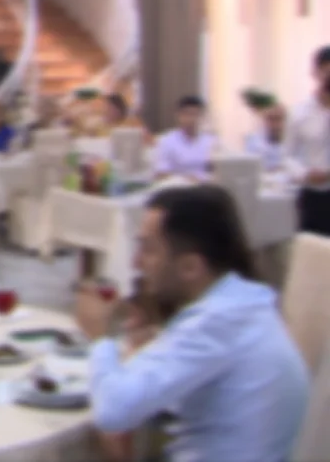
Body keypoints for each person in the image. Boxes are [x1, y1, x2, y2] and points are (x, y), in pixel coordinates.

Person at [74, 185, 308, 462]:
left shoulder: (219, 320)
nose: (136, 263)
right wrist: (153, 349)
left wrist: (99, 335)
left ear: (190, 267)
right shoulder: (241, 304)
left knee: (107, 433)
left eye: (148, 249)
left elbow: (112, 412)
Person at [284, 46, 330, 236]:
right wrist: (304, 174)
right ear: (315, 73)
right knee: (312, 248)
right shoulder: (300, 112)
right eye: (325, 72)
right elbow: (287, 156)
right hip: (312, 195)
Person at [153, 96, 217, 181]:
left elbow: (218, 169)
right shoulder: (166, 141)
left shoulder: (211, 141)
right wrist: (187, 179)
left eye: (195, 114)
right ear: (178, 116)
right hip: (178, 186)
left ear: (202, 116)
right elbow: (161, 173)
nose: (191, 119)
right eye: (187, 114)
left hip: (205, 186)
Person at [245, 104, 287, 173]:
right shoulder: (254, 142)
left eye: (278, 119)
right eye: (271, 119)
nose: (275, 124)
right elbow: (250, 168)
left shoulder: (294, 141)